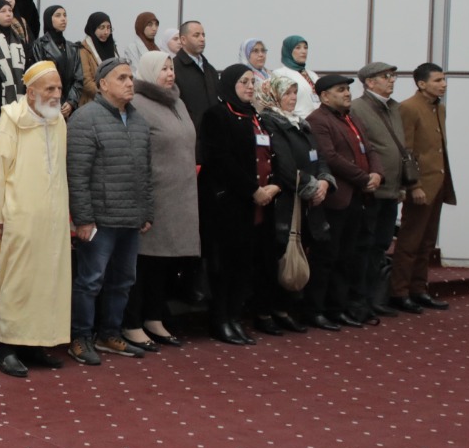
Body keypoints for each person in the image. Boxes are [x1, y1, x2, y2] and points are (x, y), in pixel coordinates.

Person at [64, 58, 154, 365]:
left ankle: (109, 334)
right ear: (103, 85)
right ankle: (80, 338)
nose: (130, 83)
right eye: (122, 78)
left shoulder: (139, 121)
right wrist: (83, 219)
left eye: (131, 77)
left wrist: (146, 211)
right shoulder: (85, 119)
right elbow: (77, 175)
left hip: (130, 217)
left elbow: (146, 172)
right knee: (90, 281)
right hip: (99, 220)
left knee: (123, 281)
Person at [0, 61, 72, 376]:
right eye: (50, 89)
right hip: (21, 214)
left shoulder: (58, 121)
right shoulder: (12, 118)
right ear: (31, 92)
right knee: (18, 281)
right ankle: (7, 347)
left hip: (54, 217)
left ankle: (37, 343)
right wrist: (0, 212)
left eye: (59, 88)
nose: (56, 94)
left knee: (49, 280)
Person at [125, 51, 199, 349]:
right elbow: (135, 153)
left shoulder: (177, 101)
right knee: (143, 262)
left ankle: (154, 317)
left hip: (179, 195)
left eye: (171, 68)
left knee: (164, 261)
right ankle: (132, 323)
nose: (170, 74)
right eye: (164, 69)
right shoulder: (137, 103)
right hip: (153, 194)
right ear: (148, 70)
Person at [198, 64, 276, 345]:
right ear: (230, 84)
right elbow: (220, 160)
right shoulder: (216, 115)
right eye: (244, 82)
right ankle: (220, 320)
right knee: (225, 266)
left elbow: (270, 154)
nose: (250, 87)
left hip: (259, 205)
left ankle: (235, 317)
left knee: (245, 265)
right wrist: (252, 190)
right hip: (228, 205)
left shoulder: (256, 116)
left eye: (252, 82)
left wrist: (274, 185)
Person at [254, 73, 333, 331]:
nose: (291, 98)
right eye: (286, 93)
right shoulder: (269, 120)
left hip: (306, 201)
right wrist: (310, 185)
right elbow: (285, 164)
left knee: (299, 252)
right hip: (284, 203)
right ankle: (265, 312)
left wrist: (324, 181)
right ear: (273, 95)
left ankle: (284, 309)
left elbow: (319, 156)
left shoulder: (299, 122)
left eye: (294, 93)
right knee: (277, 257)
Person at [306, 74, 381, 327]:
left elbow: (370, 148)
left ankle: (337, 308)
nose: (347, 93)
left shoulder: (351, 117)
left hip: (357, 198)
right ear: (325, 96)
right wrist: (363, 177)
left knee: (346, 257)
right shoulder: (318, 120)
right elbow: (330, 156)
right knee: (326, 257)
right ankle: (316, 310)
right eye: (340, 90)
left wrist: (377, 174)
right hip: (335, 200)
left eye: (348, 89)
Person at [348, 61, 417, 317]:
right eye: (386, 76)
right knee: (364, 245)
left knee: (380, 245)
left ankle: (373, 298)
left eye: (393, 76)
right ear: (370, 82)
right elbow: (363, 148)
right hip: (371, 190)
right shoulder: (357, 108)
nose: (392, 80)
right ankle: (358, 300)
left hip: (391, 189)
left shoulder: (394, 107)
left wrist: (402, 185)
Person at [393, 63, 454, 311]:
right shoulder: (409, 107)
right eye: (438, 80)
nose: (443, 84)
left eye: (444, 79)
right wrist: (414, 185)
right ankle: (399, 292)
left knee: (427, 241)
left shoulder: (439, 108)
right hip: (420, 185)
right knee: (410, 241)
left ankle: (419, 289)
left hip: (437, 182)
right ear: (421, 84)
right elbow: (406, 151)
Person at [31, 5, 81, 118]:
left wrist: (71, 102)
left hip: (69, 107)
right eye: (58, 16)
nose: (63, 19)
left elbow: (79, 78)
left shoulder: (72, 48)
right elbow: (40, 77)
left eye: (65, 15)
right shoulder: (39, 45)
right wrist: (56, 99)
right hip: (47, 104)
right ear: (49, 19)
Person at [174, 20, 220, 128]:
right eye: (196, 35)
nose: (202, 39)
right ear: (183, 40)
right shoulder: (174, 68)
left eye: (203, 35)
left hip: (213, 131)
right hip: (189, 131)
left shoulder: (209, 69)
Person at [75, 12, 117, 106]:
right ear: (93, 28)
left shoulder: (112, 47)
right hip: (93, 102)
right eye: (102, 28)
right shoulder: (83, 50)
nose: (106, 32)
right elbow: (86, 82)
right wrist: (107, 94)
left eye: (108, 28)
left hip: (114, 100)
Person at [274, 35, 320, 119]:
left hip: (318, 119)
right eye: (298, 48)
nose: (303, 51)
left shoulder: (312, 74)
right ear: (288, 51)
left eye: (305, 48)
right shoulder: (280, 74)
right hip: (296, 120)